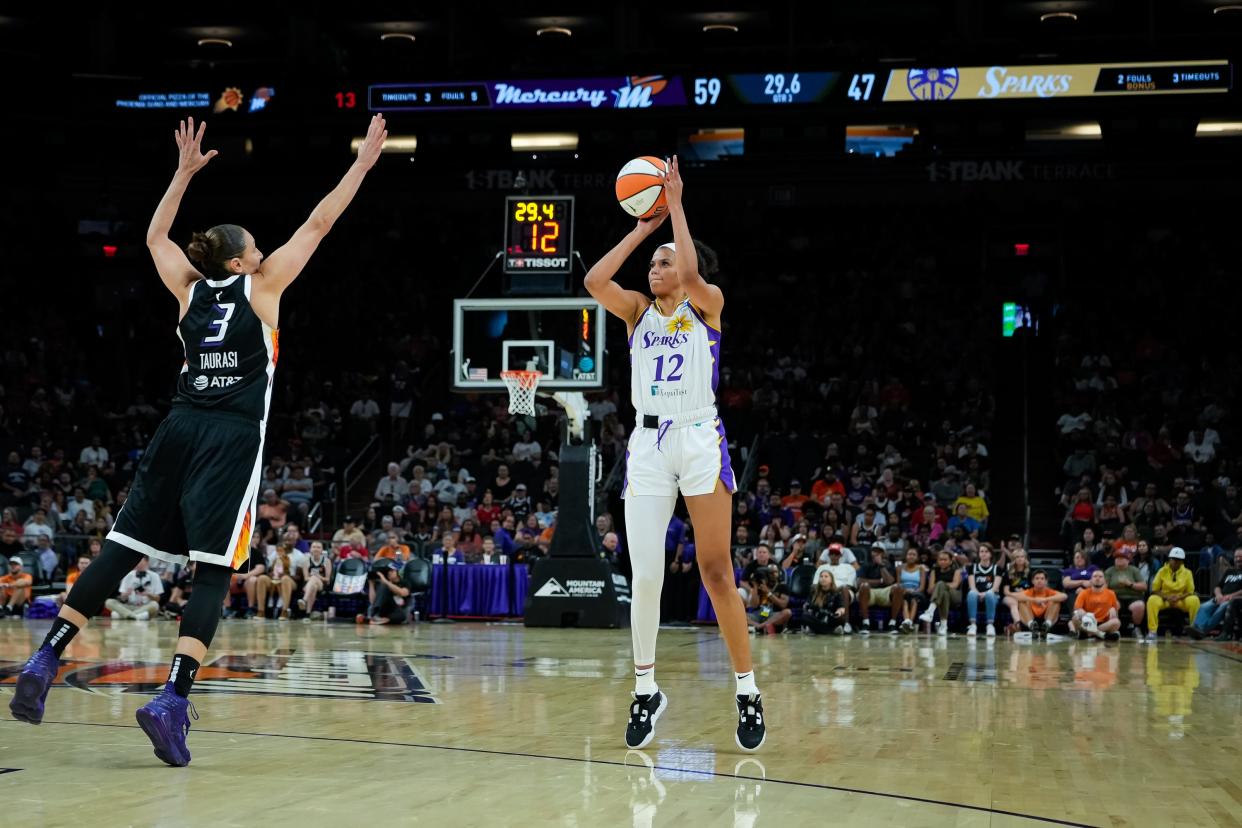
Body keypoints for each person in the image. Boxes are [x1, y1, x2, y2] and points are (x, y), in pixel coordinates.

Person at [8, 114, 388, 768]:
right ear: (241, 262)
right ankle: (171, 700)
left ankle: (46, 655)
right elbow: (319, 224)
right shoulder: (262, 288)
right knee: (214, 571)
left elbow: (155, 234)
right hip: (229, 438)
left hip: (176, 428)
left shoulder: (186, 292)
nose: (268, 255)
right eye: (259, 248)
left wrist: (181, 174)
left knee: (120, 550)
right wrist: (361, 165)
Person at [584, 155, 764, 752]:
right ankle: (644, 691)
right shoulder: (636, 311)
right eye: (653, 262)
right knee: (647, 575)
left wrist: (677, 205)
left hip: (698, 439)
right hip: (648, 443)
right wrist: (641, 224)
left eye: (662, 261)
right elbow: (593, 282)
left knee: (716, 571)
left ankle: (746, 690)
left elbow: (688, 271)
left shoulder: (705, 304)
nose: (654, 268)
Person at [1145, 546, 1200, 641]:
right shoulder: (1162, 571)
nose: (1175, 562)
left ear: (1182, 561)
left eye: (1178, 560)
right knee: (1152, 600)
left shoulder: (1187, 573)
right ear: (1169, 559)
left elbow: (1190, 591)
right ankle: (1152, 631)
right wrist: (1167, 597)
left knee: (1194, 600)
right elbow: (1155, 589)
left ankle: (1193, 629)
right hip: (1165, 599)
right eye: (1173, 559)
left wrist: (1178, 597)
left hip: (1180, 599)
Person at [1189, 545, 1242, 639]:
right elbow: (1218, 586)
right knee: (1204, 606)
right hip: (1222, 597)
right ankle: (1196, 627)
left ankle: (1202, 630)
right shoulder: (1229, 572)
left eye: (1240, 557)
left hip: (1234, 599)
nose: (1238, 559)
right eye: (1236, 557)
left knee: (1221, 608)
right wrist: (1219, 595)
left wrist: (1230, 596)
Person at [856, 543, 904, 635]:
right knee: (864, 586)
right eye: (874, 551)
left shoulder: (889, 565)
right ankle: (866, 623)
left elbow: (889, 581)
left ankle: (892, 624)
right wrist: (880, 581)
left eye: (879, 551)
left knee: (898, 587)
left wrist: (881, 565)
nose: (876, 553)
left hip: (884, 592)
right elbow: (859, 582)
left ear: (883, 553)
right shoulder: (866, 564)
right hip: (870, 592)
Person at [1104, 546, 1148, 633]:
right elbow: (1104, 586)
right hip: (1116, 596)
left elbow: (1144, 586)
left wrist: (1130, 584)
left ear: (1128, 560)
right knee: (1113, 605)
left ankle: (1136, 628)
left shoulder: (1134, 570)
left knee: (1138, 606)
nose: (1118, 560)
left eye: (1121, 558)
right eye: (1117, 558)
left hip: (1134, 596)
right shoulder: (1110, 571)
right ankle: (1114, 628)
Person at [1069, 570, 1122, 641]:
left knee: (1116, 622)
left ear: (1104, 580)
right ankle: (1100, 634)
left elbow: (1116, 616)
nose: (1097, 578)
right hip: (1087, 622)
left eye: (1100, 577)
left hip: (1103, 624)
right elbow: (1075, 610)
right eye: (1095, 576)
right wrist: (1079, 610)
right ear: (1091, 580)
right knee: (1075, 618)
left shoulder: (1111, 593)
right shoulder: (1083, 593)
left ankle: (1089, 634)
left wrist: (1113, 609)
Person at [1014, 570, 1066, 638]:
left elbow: (1064, 596)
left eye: (1042, 578)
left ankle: (1047, 625)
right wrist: (1035, 600)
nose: (1039, 580)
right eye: (1037, 578)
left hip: (1047, 618)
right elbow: (1017, 596)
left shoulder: (1049, 591)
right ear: (1032, 581)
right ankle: (1032, 626)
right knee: (1022, 601)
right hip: (1031, 619)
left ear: (1046, 581)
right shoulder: (1030, 591)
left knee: (1055, 601)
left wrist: (1045, 599)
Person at [921, 548, 961, 635]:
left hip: (955, 596)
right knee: (944, 595)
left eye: (945, 559)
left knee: (941, 584)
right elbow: (930, 589)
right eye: (940, 559)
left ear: (951, 561)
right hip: (942, 597)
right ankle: (943, 626)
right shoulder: (934, 571)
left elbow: (955, 585)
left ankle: (930, 612)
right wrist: (941, 588)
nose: (942, 562)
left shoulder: (956, 570)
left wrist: (941, 586)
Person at [965, 544, 1002, 637]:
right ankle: (973, 625)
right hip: (977, 594)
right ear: (978, 554)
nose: (984, 554)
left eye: (986, 551)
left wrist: (985, 594)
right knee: (971, 593)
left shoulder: (997, 569)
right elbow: (972, 586)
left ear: (991, 554)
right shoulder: (972, 568)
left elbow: (995, 588)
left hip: (992, 595)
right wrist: (979, 594)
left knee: (990, 593)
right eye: (981, 551)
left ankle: (990, 625)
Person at [803, 570, 848, 635]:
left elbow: (841, 608)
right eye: (821, 576)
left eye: (826, 576)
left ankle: (815, 629)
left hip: (829, 618)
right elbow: (807, 605)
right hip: (817, 618)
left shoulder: (836, 593)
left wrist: (839, 612)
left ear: (831, 580)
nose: (823, 578)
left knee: (841, 618)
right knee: (805, 616)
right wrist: (807, 607)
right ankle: (831, 631)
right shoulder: (814, 592)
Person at [297, 540, 332, 619]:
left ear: (322, 550)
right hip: (308, 584)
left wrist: (319, 577)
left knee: (314, 579)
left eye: (318, 547)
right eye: (314, 547)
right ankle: (308, 613)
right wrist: (314, 577)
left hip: (322, 584)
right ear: (310, 549)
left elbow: (328, 579)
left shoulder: (327, 561)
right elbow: (306, 578)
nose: (316, 549)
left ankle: (304, 600)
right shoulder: (306, 561)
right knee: (313, 586)